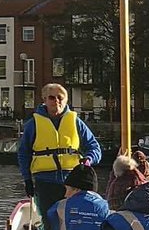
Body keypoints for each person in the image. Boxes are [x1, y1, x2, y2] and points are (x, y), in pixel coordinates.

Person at [17, 82, 103, 220]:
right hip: (45, 181)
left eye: (60, 97)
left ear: (66, 100)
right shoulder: (33, 123)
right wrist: (27, 180)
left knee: (73, 219)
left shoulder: (75, 122)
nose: (56, 101)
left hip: (73, 180)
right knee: (49, 219)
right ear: (44, 100)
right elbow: (23, 153)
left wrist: (88, 160)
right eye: (52, 97)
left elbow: (94, 147)